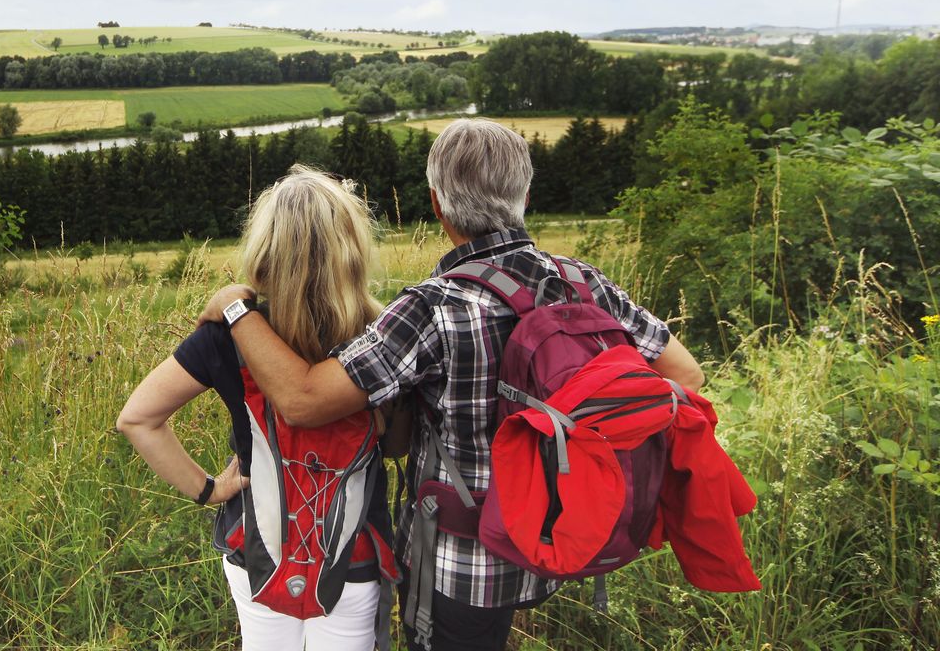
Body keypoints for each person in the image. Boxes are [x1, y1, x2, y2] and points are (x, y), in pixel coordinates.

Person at [201, 119, 706, 651]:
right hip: (560, 532)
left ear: (437, 205)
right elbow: (683, 376)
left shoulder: (431, 308)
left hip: (462, 560)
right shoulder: (582, 282)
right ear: (525, 196)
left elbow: (303, 401)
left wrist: (238, 310)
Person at [116, 166, 392, 651]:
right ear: (351, 250)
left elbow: (138, 419)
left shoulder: (229, 332)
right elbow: (399, 440)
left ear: (264, 254)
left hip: (255, 550)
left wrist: (209, 489)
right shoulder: (384, 332)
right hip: (354, 553)